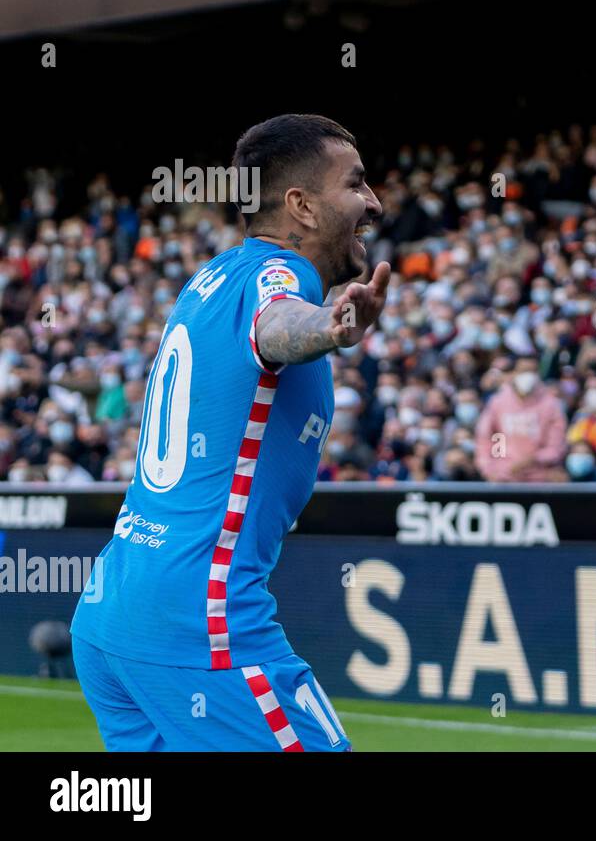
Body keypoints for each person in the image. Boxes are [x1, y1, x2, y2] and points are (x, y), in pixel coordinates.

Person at [71, 114, 389, 751]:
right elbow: (277, 325)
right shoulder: (282, 273)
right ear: (300, 205)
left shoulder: (209, 279)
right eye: (355, 184)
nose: (372, 202)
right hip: (199, 621)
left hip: (113, 611)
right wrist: (329, 328)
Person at [473, 355, 568, 482]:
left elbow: (556, 446)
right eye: (523, 370)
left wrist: (535, 458)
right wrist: (490, 469)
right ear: (513, 373)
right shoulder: (498, 402)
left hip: (541, 477)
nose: (528, 375)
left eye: (532, 371)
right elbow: (487, 438)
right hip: (504, 477)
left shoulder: (550, 404)